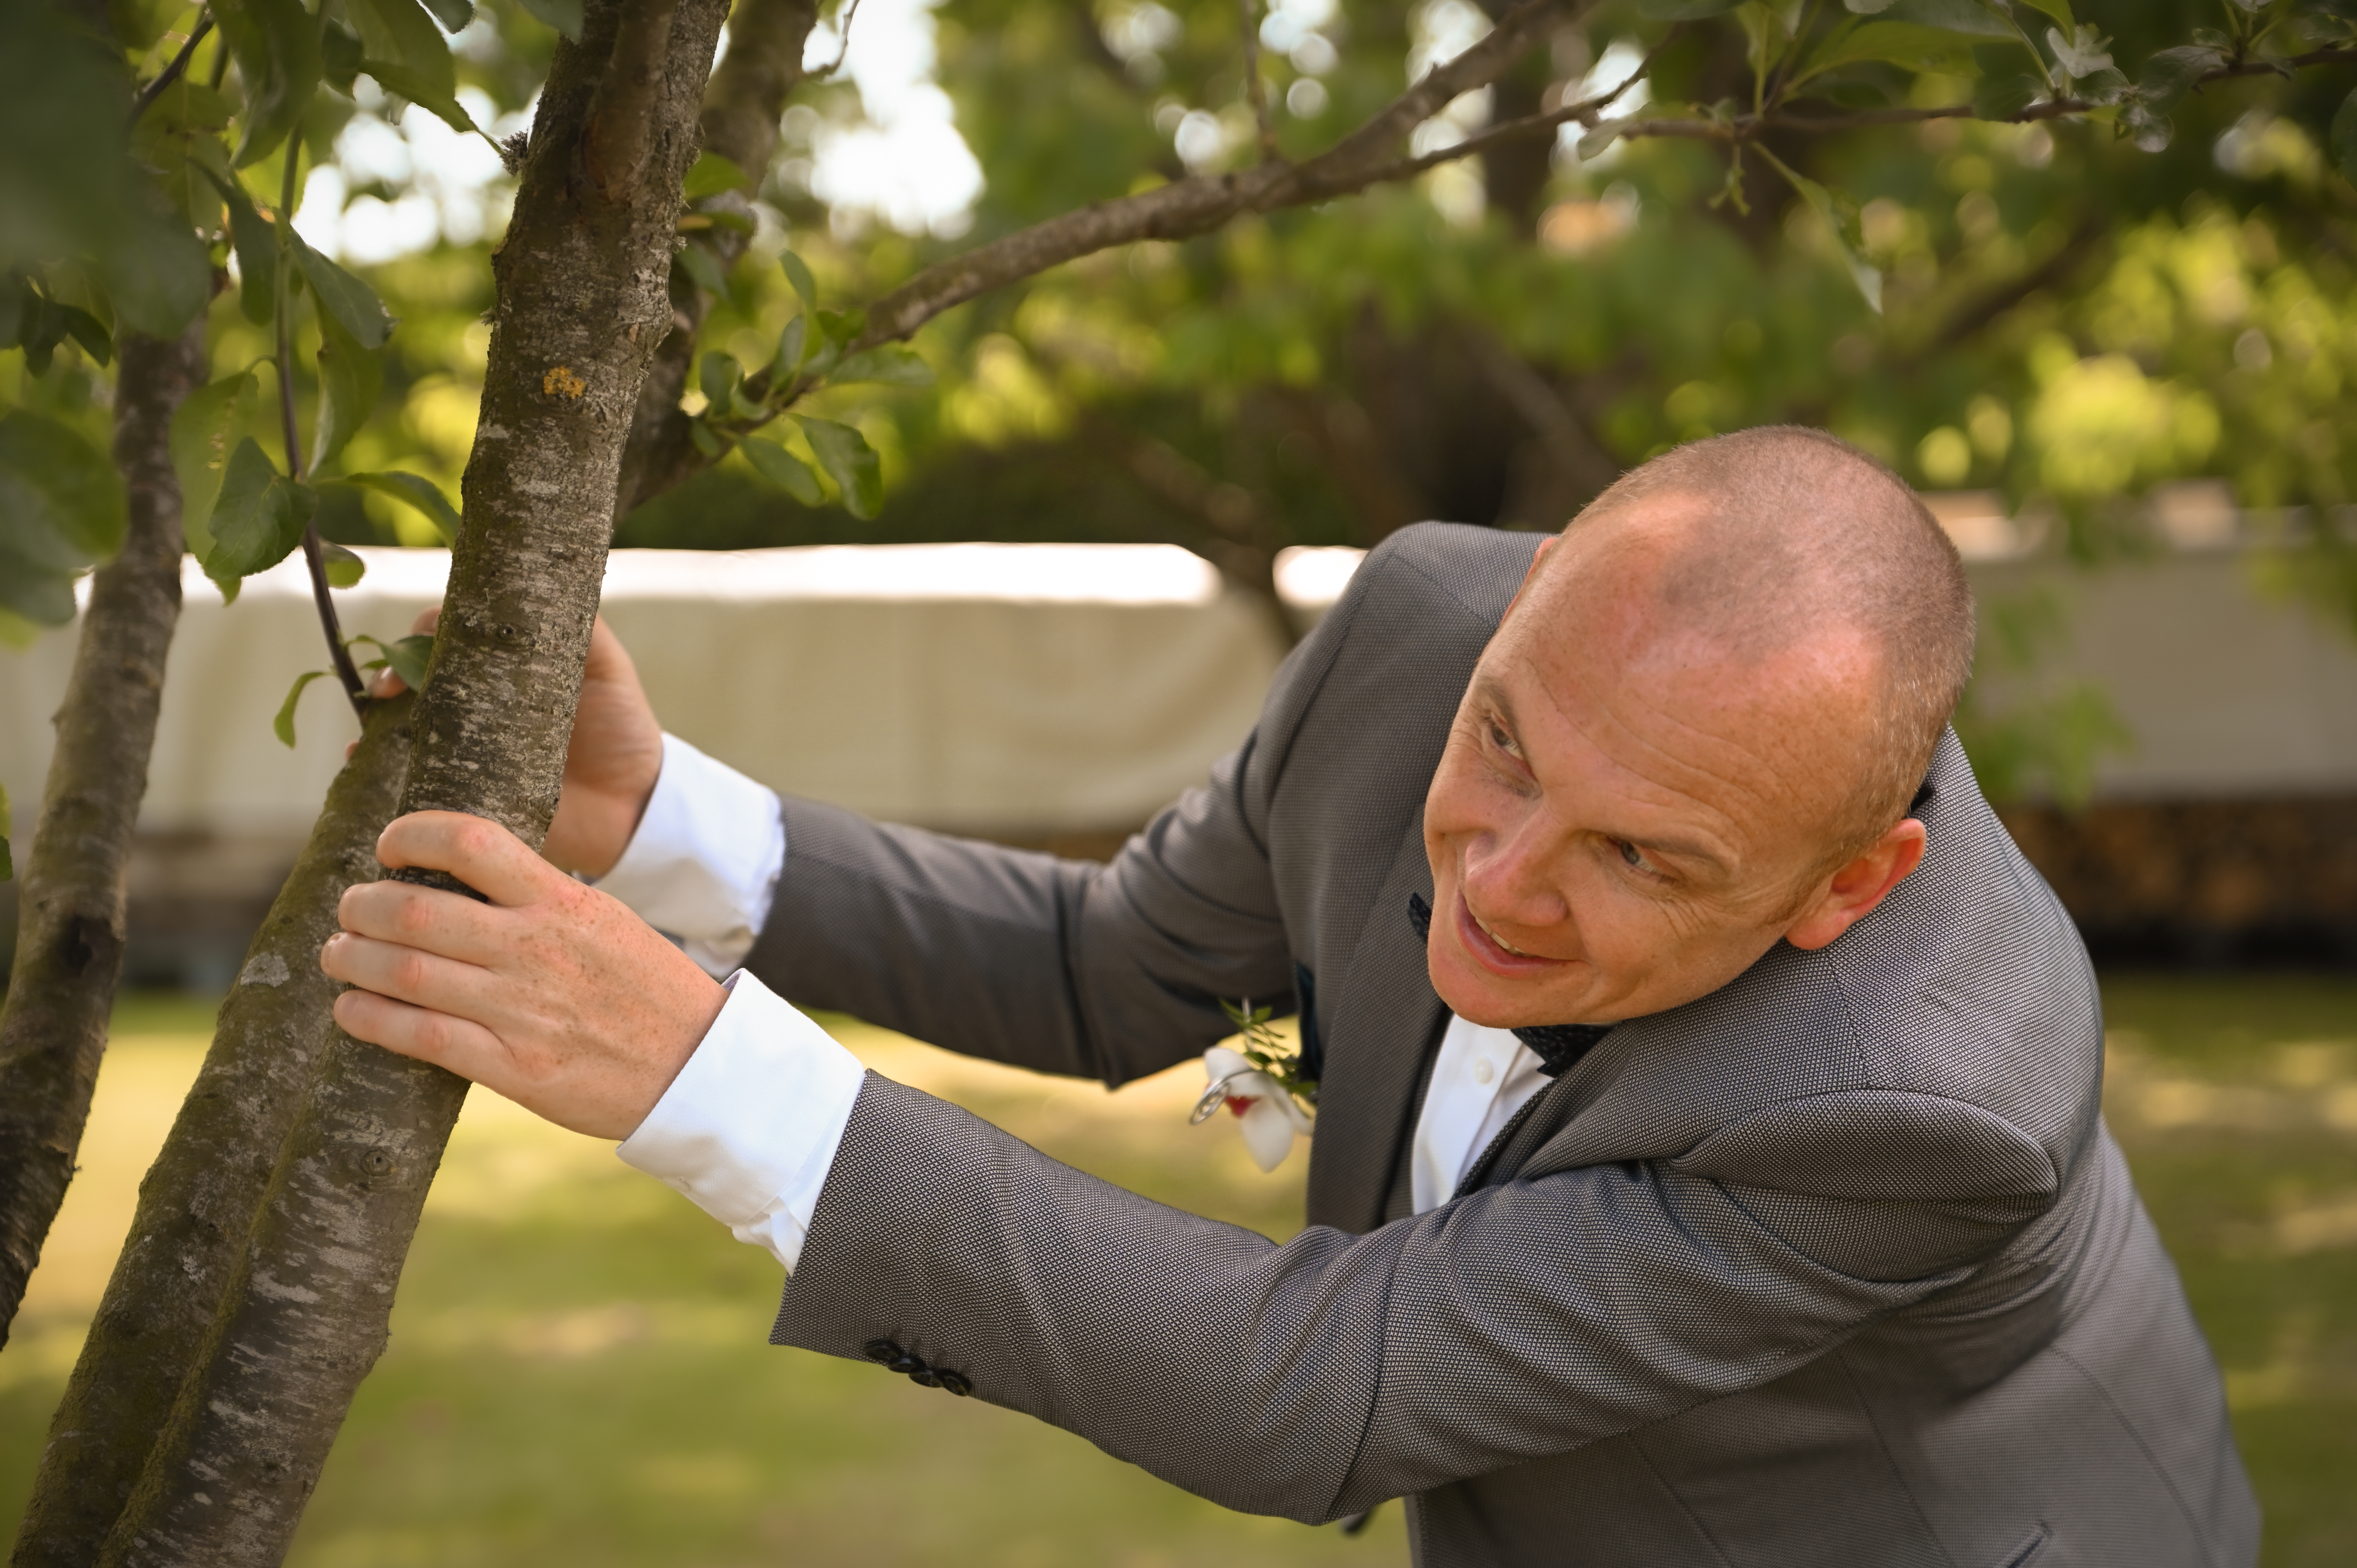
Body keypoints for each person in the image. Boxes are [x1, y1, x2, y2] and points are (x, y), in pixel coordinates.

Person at [322, 427, 2257, 1567]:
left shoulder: (1932, 1101)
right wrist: (658, 820)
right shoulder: (1420, 629)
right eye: (1506, 745)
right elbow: (1126, 969)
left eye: (1640, 857)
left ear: (1853, 884)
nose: (1493, 880)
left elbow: (1316, 1380)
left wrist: (700, 1072)